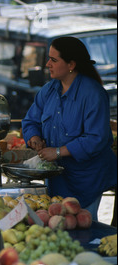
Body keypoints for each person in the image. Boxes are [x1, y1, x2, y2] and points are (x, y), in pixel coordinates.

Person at [22, 36, 117, 221]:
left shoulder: (93, 94)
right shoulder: (48, 90)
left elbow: (95, 138)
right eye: (49, 58)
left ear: (71, 64)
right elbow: (30, 121)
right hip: (58, 179)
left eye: (54, 60)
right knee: (58, 225)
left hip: (87, 179)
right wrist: (34, 137)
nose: (48, 64)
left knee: (81, 228)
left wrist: (57, 152)